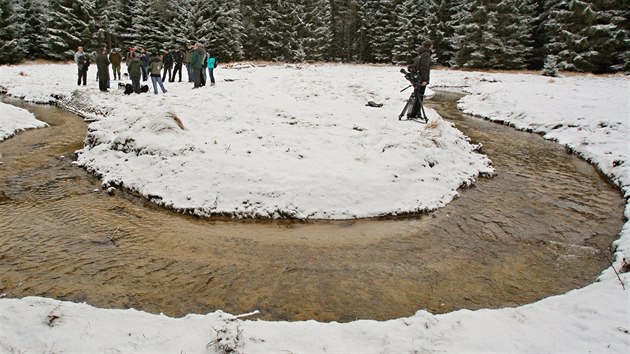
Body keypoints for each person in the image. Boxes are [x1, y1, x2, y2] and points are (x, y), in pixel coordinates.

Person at [408, 40, 433, 119]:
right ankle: (416, 114)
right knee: (420, 96)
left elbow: (416, 66)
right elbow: (424, 68)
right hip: (421, 79)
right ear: (430, 46)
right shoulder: (426, 55)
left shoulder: (419, 55)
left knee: (417, 95)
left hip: (417, 78)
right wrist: (424, 79)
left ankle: (414, 113)